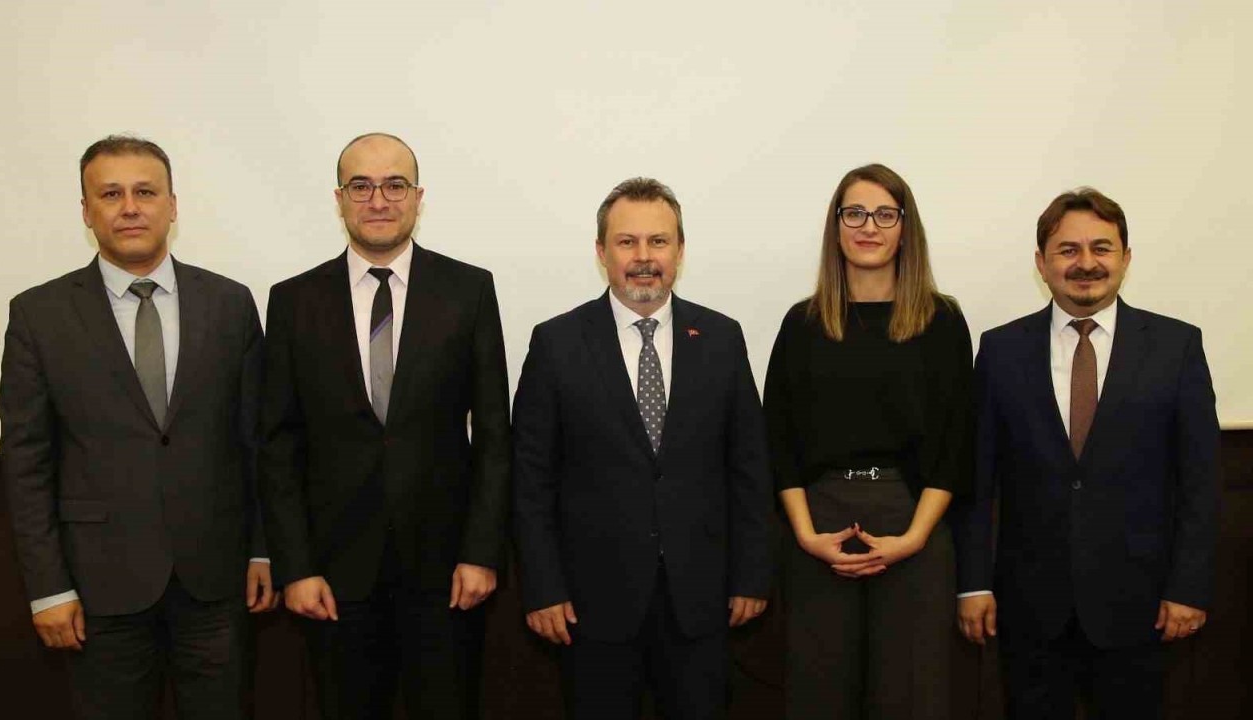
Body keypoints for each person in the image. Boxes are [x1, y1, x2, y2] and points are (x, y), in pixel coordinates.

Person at [0, 135, 276, 720]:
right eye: (111, 194)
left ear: (172, 205)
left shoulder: (230, 304)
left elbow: (257, 442)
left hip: (216, 582)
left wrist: (261, 551)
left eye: (145, 192)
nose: (130, 208)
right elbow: (26, 462)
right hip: (98, 586)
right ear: (86, 211)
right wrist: (48, 588)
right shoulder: (39, 314)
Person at [258, 132, 511, 719]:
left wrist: (482, 553)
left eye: (395, 185)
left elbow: (495, 435)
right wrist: (296, 567)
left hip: (447, 573)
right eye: (361, 186)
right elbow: (277, 445)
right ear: (339, 199)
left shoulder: (469, 290)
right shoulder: (293, 300)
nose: (378, 200)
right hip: (333, 576)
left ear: (418, 197)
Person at [512, 177, 774, 719]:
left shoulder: (722, 338)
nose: (644, 258)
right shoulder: (556, 343)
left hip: (701, 601)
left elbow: (749, 468)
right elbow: (531, 479)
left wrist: (752, 575)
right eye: (627, 242)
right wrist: (542, 587)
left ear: (680, 250)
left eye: (658, 241)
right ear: (601, 251)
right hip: (590, 605)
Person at [953, 188, 1220, 719]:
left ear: (1125, 257)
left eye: (1101, 247)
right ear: (1041, 262)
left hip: (1142, 607)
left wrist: (1189, 587)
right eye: (1067, 249)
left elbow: (1201, 482)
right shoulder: (1001, 349)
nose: (1086, 263)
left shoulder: (1177, 347)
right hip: (1029, 608)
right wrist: (973, 584)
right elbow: (977, 481)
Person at [764, 163, 971, 719]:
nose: (869, 227)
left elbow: (956, 441)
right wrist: (806, 536)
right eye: (854, 213)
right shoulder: (802, 323)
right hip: (819, 529)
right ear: (836, 226)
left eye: (885, 214)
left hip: (914, 523)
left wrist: (914, 538)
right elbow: (778, 440)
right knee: (818, 698)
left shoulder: (942, 320)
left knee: (912, 699)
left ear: (906, 227)